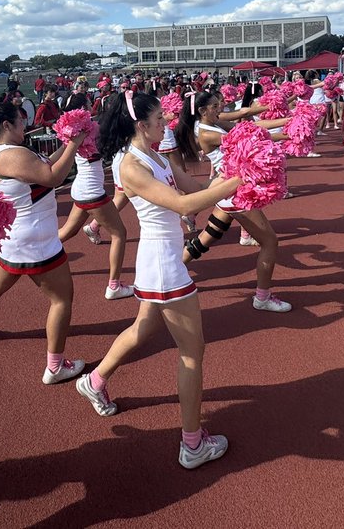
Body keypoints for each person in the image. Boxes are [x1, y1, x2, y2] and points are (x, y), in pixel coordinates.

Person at [74, 90, 240, 470]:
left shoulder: (155, 153)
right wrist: (237, 183)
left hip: (159, 263)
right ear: (140, 123)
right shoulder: (131, 165)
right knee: (192, 353)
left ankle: (95, 380)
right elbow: (182, 206)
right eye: (160, 119)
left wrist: (230, 175)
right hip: (163, 265)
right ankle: (193, 444)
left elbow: (193, 189)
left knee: (141, 329)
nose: (166, 123)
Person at [0, 101, 89, 385]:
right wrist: (75, 145)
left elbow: (43, 165)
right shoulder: (12, 155)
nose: (25, 123)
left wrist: (66, 143)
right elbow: (53, 176)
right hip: (35, 241)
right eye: (20, 119)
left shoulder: (5, 153)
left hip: (16, 239)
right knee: (61, 299)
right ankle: (54, 367)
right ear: (6, 125)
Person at [174, 90, 292, 311]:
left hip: (225, 189)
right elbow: (252, 139)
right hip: (233, 192)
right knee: (270, 242)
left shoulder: (213, 124)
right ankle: (262, 298)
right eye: (215, 106)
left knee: (209, 235)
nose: (220, 108)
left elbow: (253, 129)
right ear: (202, 111)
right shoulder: (207, 133)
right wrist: (285, 135)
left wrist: (288, 121)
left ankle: (173, 270)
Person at [56, 93, 134, 300]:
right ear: (83, 108)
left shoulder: (72, 130)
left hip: (81, 189)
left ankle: (35, 254)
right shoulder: (90, 128)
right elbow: (110, 136)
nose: (92, 106)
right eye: (89, 104)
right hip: (91, 191)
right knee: (119, 234)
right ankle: (114, 286)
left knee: (66, 233)